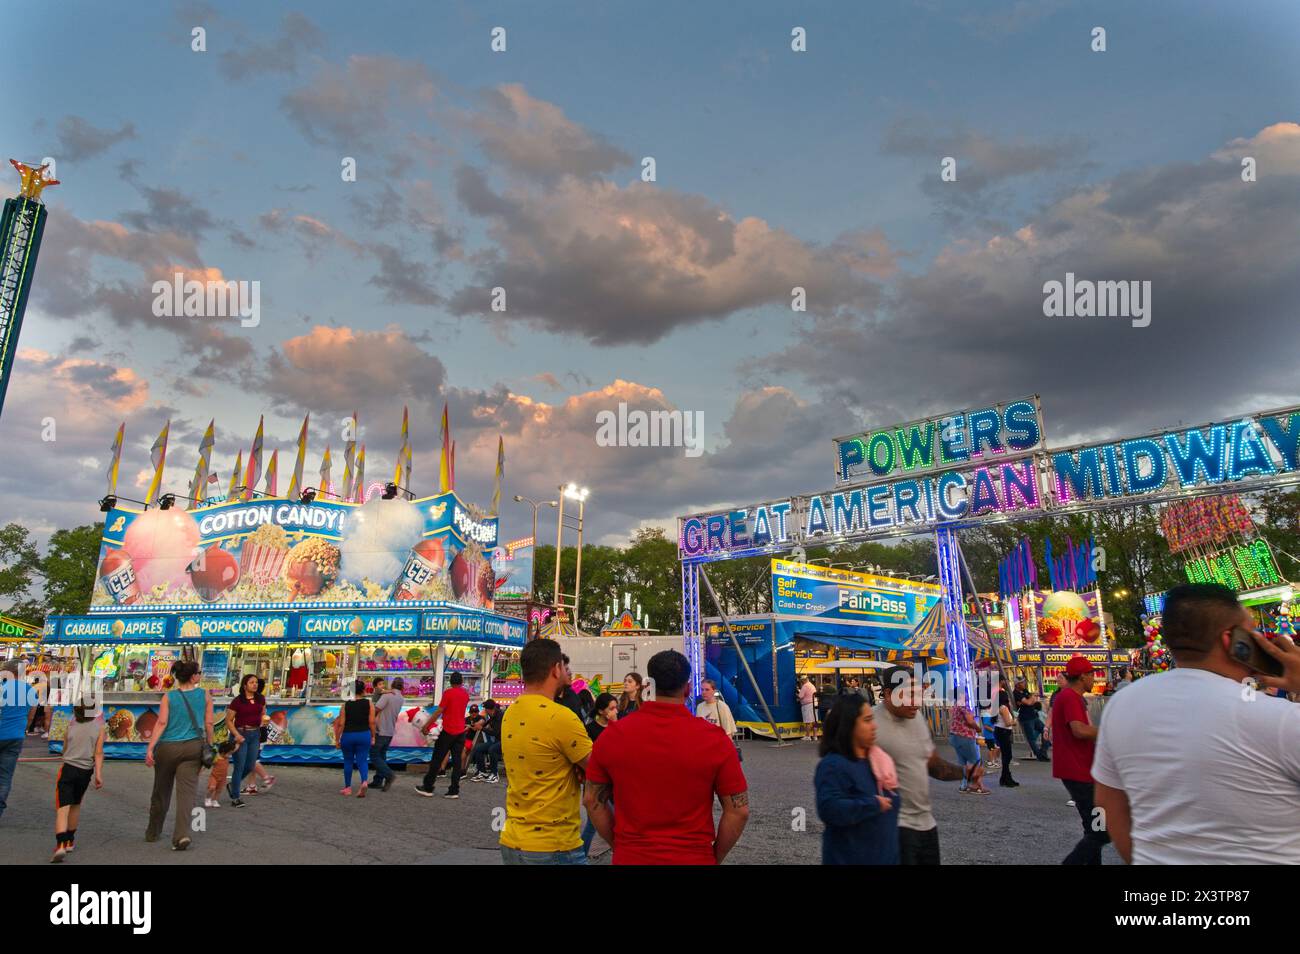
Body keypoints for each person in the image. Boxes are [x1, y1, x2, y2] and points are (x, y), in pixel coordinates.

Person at [1093, 583, 1300, 864]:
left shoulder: (1122, 704)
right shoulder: (1279, 719)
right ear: (1233, 641)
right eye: (1252, 634)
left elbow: (1109, 805)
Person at [585, 650, 749, 865]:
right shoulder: (715, 740)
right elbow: (739, 810)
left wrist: (620, 845)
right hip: (693, 858)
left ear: (648, 686)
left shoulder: (613, 736)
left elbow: (591, 800)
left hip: (632, 857)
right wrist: (714, 855)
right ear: (689, 688)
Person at [499, 638, 593, 865]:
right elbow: (598, 767)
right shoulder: (561, 717)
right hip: (554, 847)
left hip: (512, 841)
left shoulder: (511, 713)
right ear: (555, 669)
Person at [873, 665, 972, 865]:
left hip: (926, 825)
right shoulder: (869, 723)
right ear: (888, 693)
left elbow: (933, 764)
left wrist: (965, 772)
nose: (916, 702)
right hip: (893, 826)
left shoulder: (916, 717)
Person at [814, 694, 900, 864]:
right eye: (867, 720)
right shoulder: (834, 765)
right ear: (849, 725)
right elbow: (829, 809)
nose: (874, 726)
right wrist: (872, 804)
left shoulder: (879, 762)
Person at [145, 660, 213, 851]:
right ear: (193, 677)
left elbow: (161, 722)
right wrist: (211, 747)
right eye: (198, 672)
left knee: (161, 790)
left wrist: (150, 748)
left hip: (167, 747)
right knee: (187, 794)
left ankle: (153, 831)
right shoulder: (205, 695)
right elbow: (209, 724)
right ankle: (182, 835)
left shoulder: (169, 697)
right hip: (193, 748)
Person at [1051, 655, 1109, 864]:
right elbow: (1079, 730)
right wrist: (1111, 732)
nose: (1095, 677)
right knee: (1101, 830)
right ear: (1083, 676)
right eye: (1092, 673)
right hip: (1078, 770)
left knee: (1094, 827)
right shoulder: (1070, 697)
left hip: (1082, 768)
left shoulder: (1072, 697)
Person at [51, 703, 105, 862]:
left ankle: (60, 844)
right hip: (85, 771)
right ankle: (70, 840)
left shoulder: (70, 727)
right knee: (76, 804)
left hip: (68, 768)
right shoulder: (99, 729)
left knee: (63, 807)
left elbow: (64, 750)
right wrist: (99, 775)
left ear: (76, 712)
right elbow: (99, 753)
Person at [415, 671, 469, 799]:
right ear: (461, 682)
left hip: (448, 730)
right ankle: (454, 790)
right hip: (460, 731)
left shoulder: (448, 693)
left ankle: (428, 787)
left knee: (437, 759)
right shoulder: (465, 694)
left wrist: (426, 725)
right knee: (456, 762)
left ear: (450, 681)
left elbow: (439, 711)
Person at [0, 660, 41, 823]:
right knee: (5, 776)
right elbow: (31, 715)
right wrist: (25, 728)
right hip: (16, 736)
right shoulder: (30, 690)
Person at [580, 692, 619, 856]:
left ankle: (619, 852)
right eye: (611, 708)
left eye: (616, 707)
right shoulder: (590, 730)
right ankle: (582, 854)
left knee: (617, 819)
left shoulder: (618, 726)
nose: (615, 711)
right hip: (598, 783)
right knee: (592, 824)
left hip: (616, 781)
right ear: (602, 711)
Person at [224, 674, 265, 807]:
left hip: (255, 734)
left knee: (251, 764)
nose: (255, 684)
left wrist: (264, 720)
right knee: (239, 765)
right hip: (241, 733)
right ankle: (236, 798)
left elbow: (263, 713)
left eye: (256, 682)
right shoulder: (237, 701)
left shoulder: (260, 699)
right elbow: (228, 720)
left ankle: (233, 785)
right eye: (252, 682)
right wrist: (236, 734)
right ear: (244, 685)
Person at [332, 680, 375, 796]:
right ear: (363, 690)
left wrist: (337, 739)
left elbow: (341, 724)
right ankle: (364, 782)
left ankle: (348, 788)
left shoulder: (345, 705)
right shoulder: (369, 703)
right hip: (364, 734)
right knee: (362, 760)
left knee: (348, 761)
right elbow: (372, 722)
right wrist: (373, 736)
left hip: (348, 735)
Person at [370, 676, 403, 792]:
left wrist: (369, 722)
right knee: (382, 754)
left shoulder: (387, 696)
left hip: (381, 729)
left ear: (392, 685)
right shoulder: (400, 697)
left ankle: (389, 775)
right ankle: (378, 780)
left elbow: (376, 709)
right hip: (390, 730)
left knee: (374, 754)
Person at [948, 702, 988, 795]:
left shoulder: (954, 706)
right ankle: (976, 786)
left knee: (963, 762)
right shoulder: (963, 706)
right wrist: (978, 728)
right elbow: (970, 721)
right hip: (966, 736)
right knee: (976, 761)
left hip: (954, 736)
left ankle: (963, 785)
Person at [467, 699, 504, 783]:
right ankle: (482, 772)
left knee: (492, 749)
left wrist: (481, 728)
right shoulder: (493, 715)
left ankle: (494, 774)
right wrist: (477, 725)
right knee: (478, 748)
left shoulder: (500, 715)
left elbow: (495, 732)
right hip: (497, 741)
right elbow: (487, 722)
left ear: (488, 709)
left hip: (504, 741)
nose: (484, 711)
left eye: (485, 709)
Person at [1012, 678, 1049, 761]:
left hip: (1033, 716)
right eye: (1022, 682)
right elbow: (1029, 702)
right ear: (1017, 684)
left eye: (1024, 682)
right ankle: (1039, 755)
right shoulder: (1016, 693)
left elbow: (1032, 702)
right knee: (1031, 738)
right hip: (1026, 718)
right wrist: (1031, 698)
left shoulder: (1025, 691)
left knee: (1045, 730)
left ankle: (1043, 751)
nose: (1024, 683)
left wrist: (1029, 700)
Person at [994, 680, 1019, 788]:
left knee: (1006, 755)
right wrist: (1015, 721)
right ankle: (1006, 777)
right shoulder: (1003, 708)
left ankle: (1005, 777)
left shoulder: (998, 707)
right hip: (1003, 731)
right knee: (1007, 755)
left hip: (1001, 731)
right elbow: (1008, 722)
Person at [205, 738, 238, 808]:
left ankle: (215, 800)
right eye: (229, 753)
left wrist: (238, 742)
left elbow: (235, 749)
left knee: (219, 790)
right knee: (212, 787)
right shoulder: (216, 758)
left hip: (223, 778)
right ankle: (208, 798)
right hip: (214, 776)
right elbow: (208, 764)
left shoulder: (227, 757)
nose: (230, 755)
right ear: (223, 752)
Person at [797, 676, 818, 741]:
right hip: (814, 703)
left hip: (808, 705)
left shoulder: (805, 686)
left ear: (803, 680)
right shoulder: (812, 685)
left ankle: (808, 736)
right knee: (814, 721)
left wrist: (797, 694)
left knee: (808, 721)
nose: (801, 682)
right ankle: (815, 736)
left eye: (801, 681)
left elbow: (800, 696)